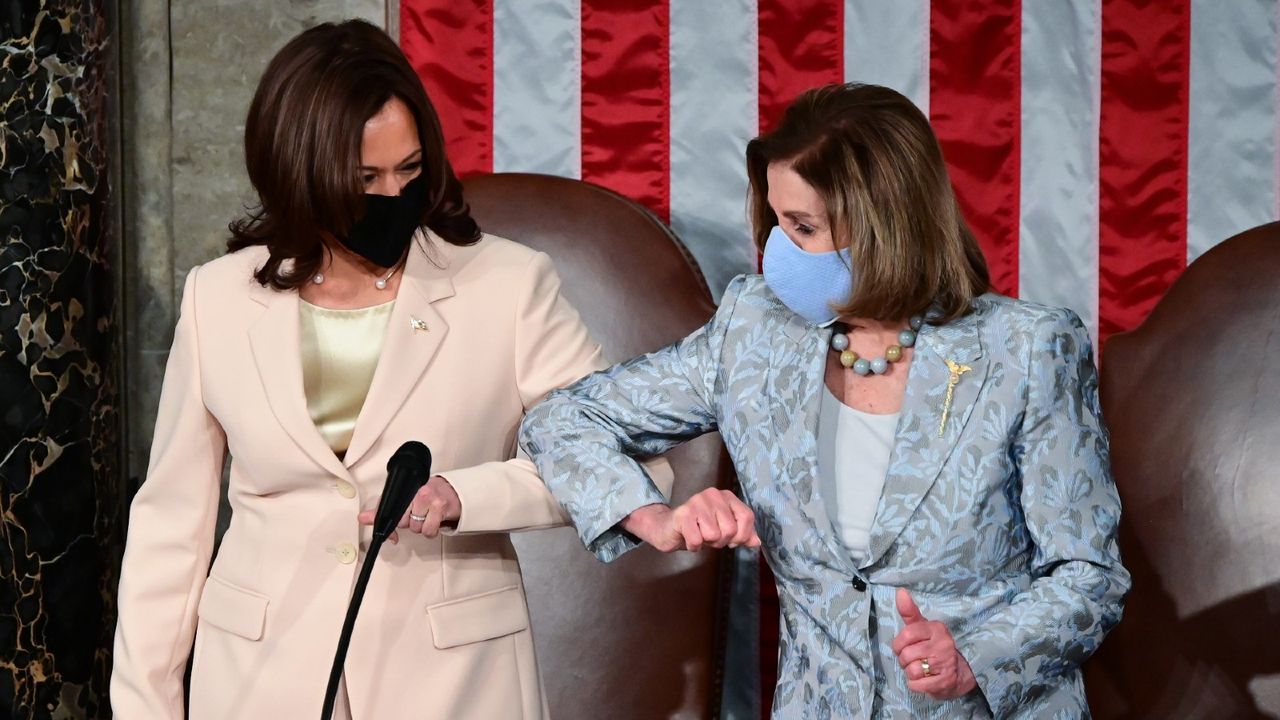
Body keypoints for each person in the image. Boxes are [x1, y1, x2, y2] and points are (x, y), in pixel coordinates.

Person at [520, 83, 1130, 718]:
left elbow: (1090, 575)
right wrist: (654, 517)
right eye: (777, 221)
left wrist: (978, 654)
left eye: (802, 227)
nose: (777, 249)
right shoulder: (753, 331)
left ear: (885, 227)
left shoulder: (1027, 348)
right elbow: (565, 417)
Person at [110, 19, 638, 719]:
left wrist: (467, 496)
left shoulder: (509, 286)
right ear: (299, 170)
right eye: (364, 179)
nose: (392, 195)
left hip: (453, 687)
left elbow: (629, 463)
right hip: (257, 685)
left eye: (410, 170)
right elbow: (171, 529)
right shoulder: (218, 299)